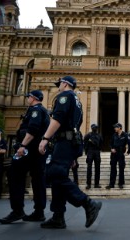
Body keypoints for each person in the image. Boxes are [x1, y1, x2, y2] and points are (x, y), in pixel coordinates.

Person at [38, 76, 102, 229]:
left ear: (65, 84)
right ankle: (58, 216)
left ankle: (88, 203)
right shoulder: (77, 100)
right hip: (72, 142)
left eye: (59, 84)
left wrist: (45, 138)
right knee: (58, 177)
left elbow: (57, 119)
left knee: (54, 173)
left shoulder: (65, 96)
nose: (58, 87)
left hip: (65, 142)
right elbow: (76, 124)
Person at [0, 90, 50, 224]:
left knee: (14, 175)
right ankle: (39, 212)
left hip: (29, 150)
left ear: (32, 98)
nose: (27, 98)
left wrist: (22, 145)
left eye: (28, 97)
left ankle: (17, 210)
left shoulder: (36, 110)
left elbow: (32, 130)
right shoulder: (40, 110)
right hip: (37, 151)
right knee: (38, 180)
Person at [106, 123, 130, 189]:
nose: (114, 128)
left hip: (121, 153)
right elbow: (110, 143)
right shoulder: (114, 135)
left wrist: (128, 152)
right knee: (113, 169)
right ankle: (111, 184)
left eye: (116, 127)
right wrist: (111, 149)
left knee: (121, 169)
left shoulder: (125, 135)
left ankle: (121, 183)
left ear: (119, 128)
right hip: (114, 153)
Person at [84, 124, 103, 189]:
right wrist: (86, 151)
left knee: (97, 169)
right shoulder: (88, 135)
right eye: (93, 127)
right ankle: (88, 184)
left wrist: (99, 149)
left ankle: (96, 184)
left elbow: (101, 143)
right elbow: (85, 142)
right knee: (89, 169)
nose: (94, 129)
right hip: (90, 152)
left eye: (95, 128)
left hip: (97, 152)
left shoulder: (99, 135)